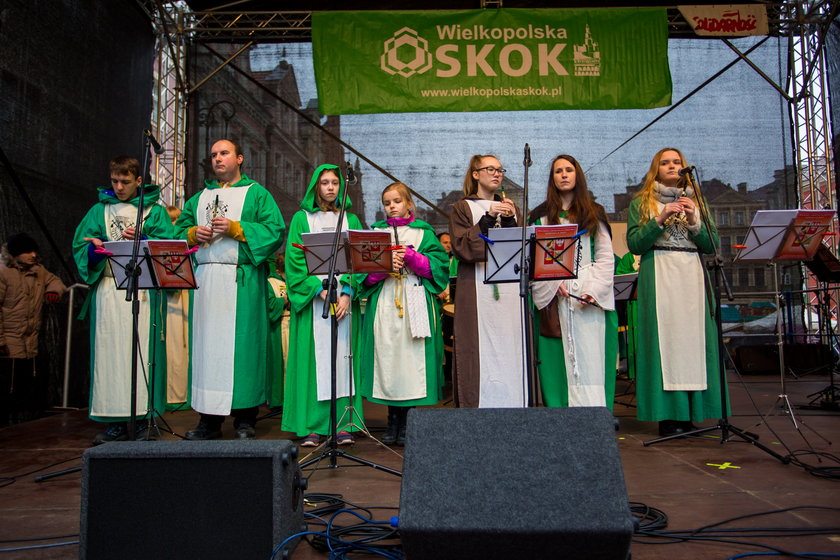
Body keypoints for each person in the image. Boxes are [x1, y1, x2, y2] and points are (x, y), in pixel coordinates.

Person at [175, 139, 285, 440]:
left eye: (223, 153)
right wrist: (192, 233)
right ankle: (208, 421)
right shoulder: (199, 198)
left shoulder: (257, 194)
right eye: (212, 155)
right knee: (208, 351)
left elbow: (275, 230)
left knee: (244, 350)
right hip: (207, 280)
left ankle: (245, 419)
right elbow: (174, 234)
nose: (217, 159)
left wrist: (237, 229)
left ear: (240, 158)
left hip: (242, 280)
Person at [72, 156, 173, 444]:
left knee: (142, 353)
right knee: (110, 356)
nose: (119, 187)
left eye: (125, 182)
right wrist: (95, 248)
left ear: (139, 181)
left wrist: (144, 236)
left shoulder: (154, 211)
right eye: (115, 181)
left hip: (142, 290)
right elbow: (82, 243)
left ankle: (143, 419)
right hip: (107, 288)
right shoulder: (98, 210)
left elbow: (169, 248)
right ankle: (114, 420)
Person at [626, 147, 726, 437]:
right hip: (660, 270)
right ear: (655, 169)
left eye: (677, 162)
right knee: (665, 341)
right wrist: (659, 220)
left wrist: (695, 221)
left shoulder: (697, 201)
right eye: (665, 162)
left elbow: (711, 245)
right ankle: (668, 416)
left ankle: (692, 412)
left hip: (691, 273)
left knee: (693, 341)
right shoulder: (642, 202)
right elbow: (635, 244)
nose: (672, 166)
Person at [358, 182, 449, 445]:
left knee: (411, 360)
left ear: (409, 204)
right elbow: (362, 274)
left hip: (414, 299)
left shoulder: (424, 233)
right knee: (388, 360)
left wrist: (410, 257)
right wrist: (382, 268)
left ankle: (409, 420)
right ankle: (392, 420)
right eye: (387, 203)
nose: (392, 206)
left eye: (397, 201)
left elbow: (439, 268)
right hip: (385, 302)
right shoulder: (375, 233)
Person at [283, 164, 364, 447]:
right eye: (325, 183)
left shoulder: (350, 219)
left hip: (342, 300)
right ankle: (313, 425)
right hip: (316, 299)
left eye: (335, 183)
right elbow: (294, 262)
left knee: (343, 360)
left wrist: (346, 294)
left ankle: (343, 424)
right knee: (314, 362)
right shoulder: (301, 219)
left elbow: (361, 259)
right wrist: (319, 290)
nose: (330, 187)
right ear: (315, 187)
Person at [529, 155, 617, 408]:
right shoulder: (541, 215)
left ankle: (594, 411)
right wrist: (553, 284)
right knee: (558, 356)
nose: (564, 175)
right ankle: (560, 411)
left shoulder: (593, 212)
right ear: (552, 178)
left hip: (587, 292)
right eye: (558, 171)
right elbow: (535, 258)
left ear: (577, 175)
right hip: (556, 294)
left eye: (569, 170)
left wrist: (593, 289)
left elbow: (604, 255)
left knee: (591, 355)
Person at [449, 154, 525, 408]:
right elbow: (462, 248)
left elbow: (522, 250)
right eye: (490, 169)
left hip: (510, 292)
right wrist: (486, 220)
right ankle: (478, 409)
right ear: (475, 174)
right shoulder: (463, 207)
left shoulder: (510, 206)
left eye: (500, 170)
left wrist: (513, 220)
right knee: (479, 349)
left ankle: (515, 403)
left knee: (510, 347)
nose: (497, 174)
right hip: (477, 288)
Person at [0, 233, 66, 426]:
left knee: (24, 382)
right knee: (6, 383)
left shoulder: (38, 271)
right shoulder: (4, 273)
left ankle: (22, 421)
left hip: (29, 339)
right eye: (27, 251)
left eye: (34, 251)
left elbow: (55, 281)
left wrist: (53, 291)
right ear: (15, 253)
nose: (33, 255)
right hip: (9, 339)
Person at [163, 205, 189, 411]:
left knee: (183, 343)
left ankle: (181, 393)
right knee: (169, 343)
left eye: (175, 222)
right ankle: (168, 393)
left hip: (185, 296)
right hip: (167, 297)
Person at [266, 253, 289, 411]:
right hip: (279, 325)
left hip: (294, 323)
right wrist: (286, 299)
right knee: (279, 364)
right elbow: (269, 304)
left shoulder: (292, 281)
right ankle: (278, 400)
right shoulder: (270, 282)